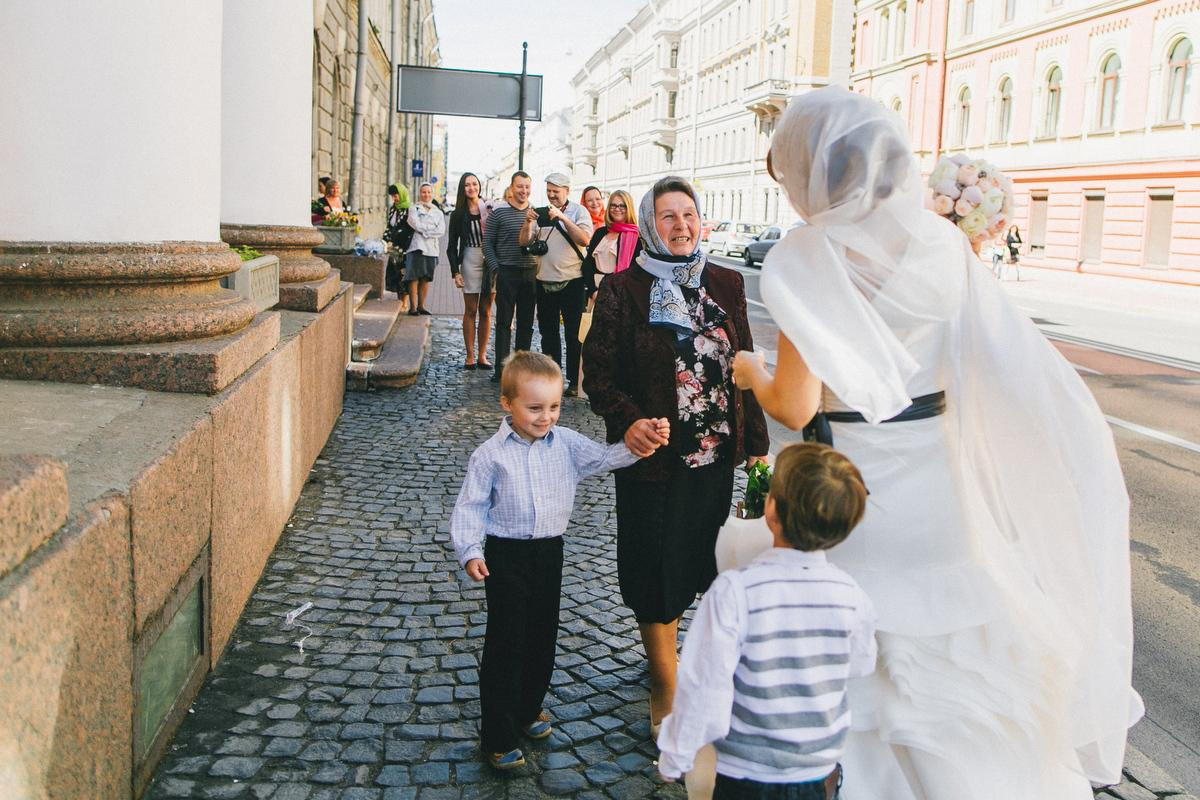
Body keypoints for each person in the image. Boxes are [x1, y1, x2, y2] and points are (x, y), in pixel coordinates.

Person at [730, 87, 1139, 799]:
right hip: (940, 490)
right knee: (953, 658)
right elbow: (994, 367)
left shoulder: (806, 256)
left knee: (860, 680)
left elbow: (795, 406)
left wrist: (749, 372)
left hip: (854, 490)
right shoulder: (941, 244)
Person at [582, 175, 770, 738]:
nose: (681, 226)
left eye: (688, 214)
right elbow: (599, 375)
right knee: (653, 564)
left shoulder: (727, 283)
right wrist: (629, 421)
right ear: (648, 225)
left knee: (696, 561)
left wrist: (757, 450)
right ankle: (666, 679)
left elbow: (747, 370)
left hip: (714, 456)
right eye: (668, 217)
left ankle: (675, 654)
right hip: (656, 456)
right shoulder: (622, 289)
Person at [450, 350, 670, 770]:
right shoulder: (490, 456)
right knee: (506, 642)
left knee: (542, 636)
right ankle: (497, 734)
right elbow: (470, 507)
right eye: (534, 408)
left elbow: (606, 459)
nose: (545, 417)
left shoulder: (565, 444)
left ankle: (529, 707)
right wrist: (470, 551)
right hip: (506, 555)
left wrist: (640, 444)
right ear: (506, 403)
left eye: (553, 407)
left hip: (550, 552)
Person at [658, 442, 877, 799]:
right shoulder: (852, 595)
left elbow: (703, 681)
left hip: (747, 772)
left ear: (771, 510)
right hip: (817, 770)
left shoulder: (736, 590)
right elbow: (861, 663)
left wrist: (676, 754)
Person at [534, 173, 593, 396]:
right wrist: (530, 222)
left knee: (573, 334)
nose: (551, 195)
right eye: (549, 190)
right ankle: (553, 378)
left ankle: (574, 381)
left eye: (556, 191)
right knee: (548, 333)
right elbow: (527, 242)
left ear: (567, 191)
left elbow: (584, 240)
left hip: (573, 281)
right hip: (544, 280)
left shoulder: (579, 211)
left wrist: (562, 218)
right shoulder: (541, 213)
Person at [483, 171, 539, 384]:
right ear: (512, 187)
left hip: (530, 272)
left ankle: (521, 369)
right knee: (504, 322)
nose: (523, 191)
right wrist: (496, 268)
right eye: (520, 186)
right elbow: (487, 243)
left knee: (526, 324)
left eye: (527, 186)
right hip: (506, 271)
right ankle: (502, 369)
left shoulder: (535, 213)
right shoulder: (499, 212)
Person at [447, 173, 496, 369]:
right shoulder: (458, 214)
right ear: (462, 188)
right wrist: (454, 271)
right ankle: (470, 355)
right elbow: (451, 246)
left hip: (489, 261)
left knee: (486, 310)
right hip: (469, 259)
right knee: (471, 310)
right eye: (467, 185)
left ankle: (482, 355)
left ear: (479, 186)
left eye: (474, 184)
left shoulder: (489, 209)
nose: (471, 188)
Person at [581, 189, 641, 300]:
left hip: (622, 296)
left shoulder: (637, 237)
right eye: (613, 205)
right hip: (597, 294)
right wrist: (592, 291)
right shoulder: (600, 233)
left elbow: (637, 272)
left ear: (629, 208)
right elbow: (588, 264)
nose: (617, 209)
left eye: (622, 206)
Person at [404, 182, 444, 316]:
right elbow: (414, 223)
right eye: (423, 192)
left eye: (428, 192)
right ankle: (413, 307)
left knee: (426, 278)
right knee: (413, 277)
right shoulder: (413, 208)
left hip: (432, 249)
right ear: (419, 193)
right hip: (417, 247)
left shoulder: (437, 212)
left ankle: (422, 306)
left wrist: (425, 231)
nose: (426, 195)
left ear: (432, 194)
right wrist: (428, 230)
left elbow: (441, 231)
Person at [384, 184, 413, 311]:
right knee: (394, 273)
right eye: (392, 196)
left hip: (405, 246)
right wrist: (385, 240)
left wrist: (398, 238)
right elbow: (389, 226)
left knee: (403, 273)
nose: (394, 199)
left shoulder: (409, 209)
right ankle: (398, 300)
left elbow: (409, 229)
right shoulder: (393, 209)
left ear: (402, 194)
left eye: (396, 196)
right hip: (394, 247)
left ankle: (405, 302)